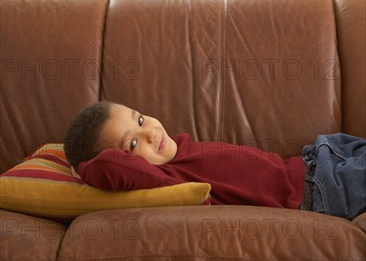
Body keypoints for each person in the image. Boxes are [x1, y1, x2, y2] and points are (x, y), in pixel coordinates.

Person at [64, 101, 366, 221]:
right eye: (131, 143)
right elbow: (108, 168)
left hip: (318, 156)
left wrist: (132, 140)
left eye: (141, 119)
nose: (151, 133)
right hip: (320, 194)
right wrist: (83, 167)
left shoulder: (178, 148)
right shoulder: (169, 183)